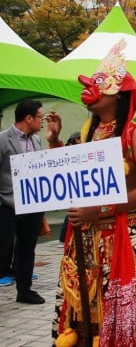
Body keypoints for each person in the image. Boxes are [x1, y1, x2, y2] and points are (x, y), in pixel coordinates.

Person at [52, 41, 136, 346]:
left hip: (121, 238)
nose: (88, 91)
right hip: (85, 235)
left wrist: (100, 211)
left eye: (96, 87)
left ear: (116, 93)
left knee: (114, 314)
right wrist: (53, 145)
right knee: (81, 315)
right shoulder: (91, 129)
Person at [0, 99, 56, 303]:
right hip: (7, 205)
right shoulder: (3, 140)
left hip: (32, 204)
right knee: (4, 247)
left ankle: (24, 290)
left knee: (27, 248)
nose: (42, 121)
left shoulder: (37, 141)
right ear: (29, 118)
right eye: (40, 117)